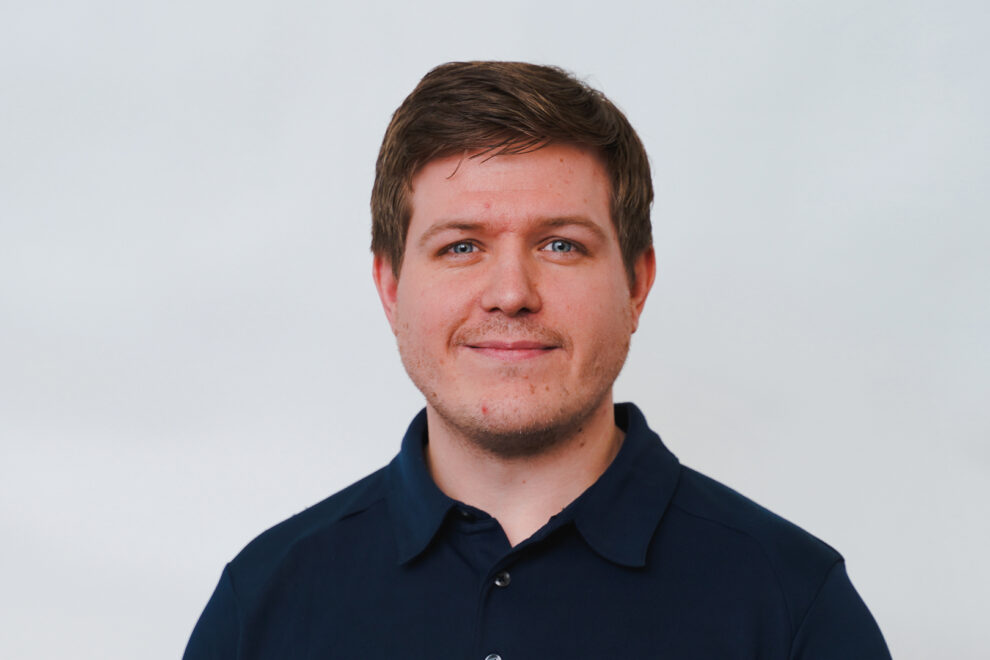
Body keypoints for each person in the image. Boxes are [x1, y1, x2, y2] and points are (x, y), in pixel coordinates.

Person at [184, 61, 891, 659]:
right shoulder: (263, 603)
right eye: (461, 246)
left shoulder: (795, 604)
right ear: (391, 287)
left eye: (561, 245)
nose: (511, 294)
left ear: (636, 284)